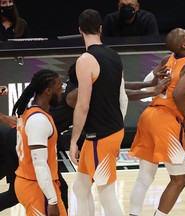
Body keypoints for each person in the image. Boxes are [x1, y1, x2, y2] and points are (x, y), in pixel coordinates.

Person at [128, 27, 185, 216]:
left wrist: (154, 74)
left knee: (144, 177)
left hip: (149, 116)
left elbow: (150, 82)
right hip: (167, 120)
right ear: (184, 45)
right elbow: (178, 94)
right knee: (180, 180)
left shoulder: (166, 60)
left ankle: (133, 214)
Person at [68, 9, 129, 216]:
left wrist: (74, 139)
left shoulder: (85, 60)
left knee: (106, 193)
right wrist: (117, 131)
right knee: (80, 187)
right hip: (111, 130)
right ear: (101, 29)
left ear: (80, 31)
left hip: (100, 135)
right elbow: (123, 97)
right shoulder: (114, 56)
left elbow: (83, 105)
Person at [12, 69, 67, 216]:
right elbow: (40, 164)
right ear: (48, 91)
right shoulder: (38, 120)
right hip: (36, 186)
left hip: (35, 183)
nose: (62, 90)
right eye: (59, 87)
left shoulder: (30, 112)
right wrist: (52, 200)